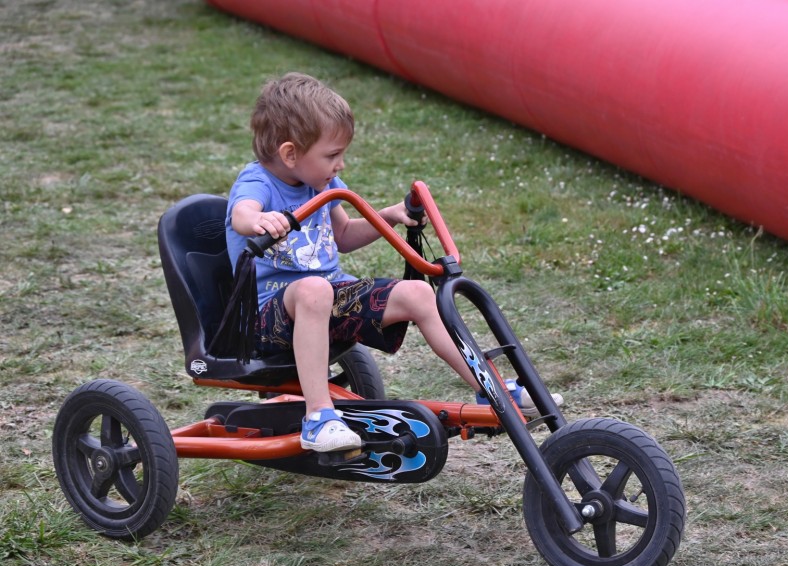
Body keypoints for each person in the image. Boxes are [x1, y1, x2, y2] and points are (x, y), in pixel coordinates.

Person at [226, 72, 561, 452]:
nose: (341, 165)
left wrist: (388, 216)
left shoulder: (322, 185)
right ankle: (318, 417)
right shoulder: (258, 183)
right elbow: (242, 214)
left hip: (327, 298)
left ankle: (493, 389)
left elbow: (344, 235)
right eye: (332, 155)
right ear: (290, 154)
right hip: (265, 316)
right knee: (315, 289)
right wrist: (260, 221)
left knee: (419, 292)